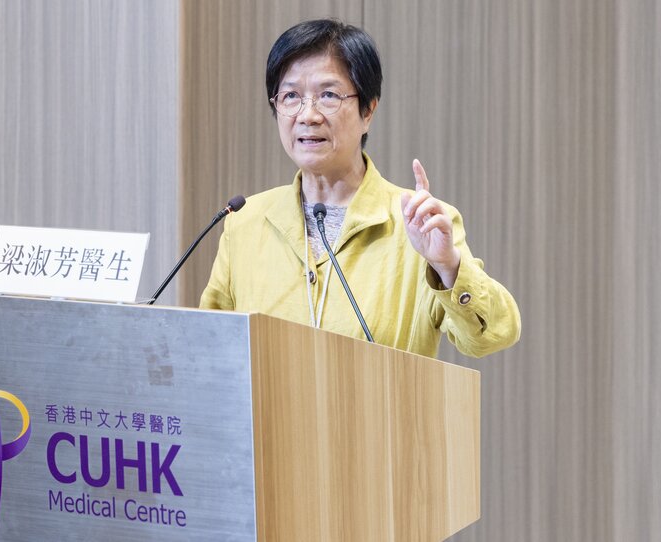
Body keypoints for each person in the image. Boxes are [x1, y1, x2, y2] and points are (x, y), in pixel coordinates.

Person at [200, 19, 520, 358]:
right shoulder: (244, 223)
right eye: (291, 96)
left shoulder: (418, 225)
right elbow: (208, 346)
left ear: (368, 111)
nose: (308, 115)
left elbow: (492, 336)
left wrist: (449, 267)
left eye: (328, 95)